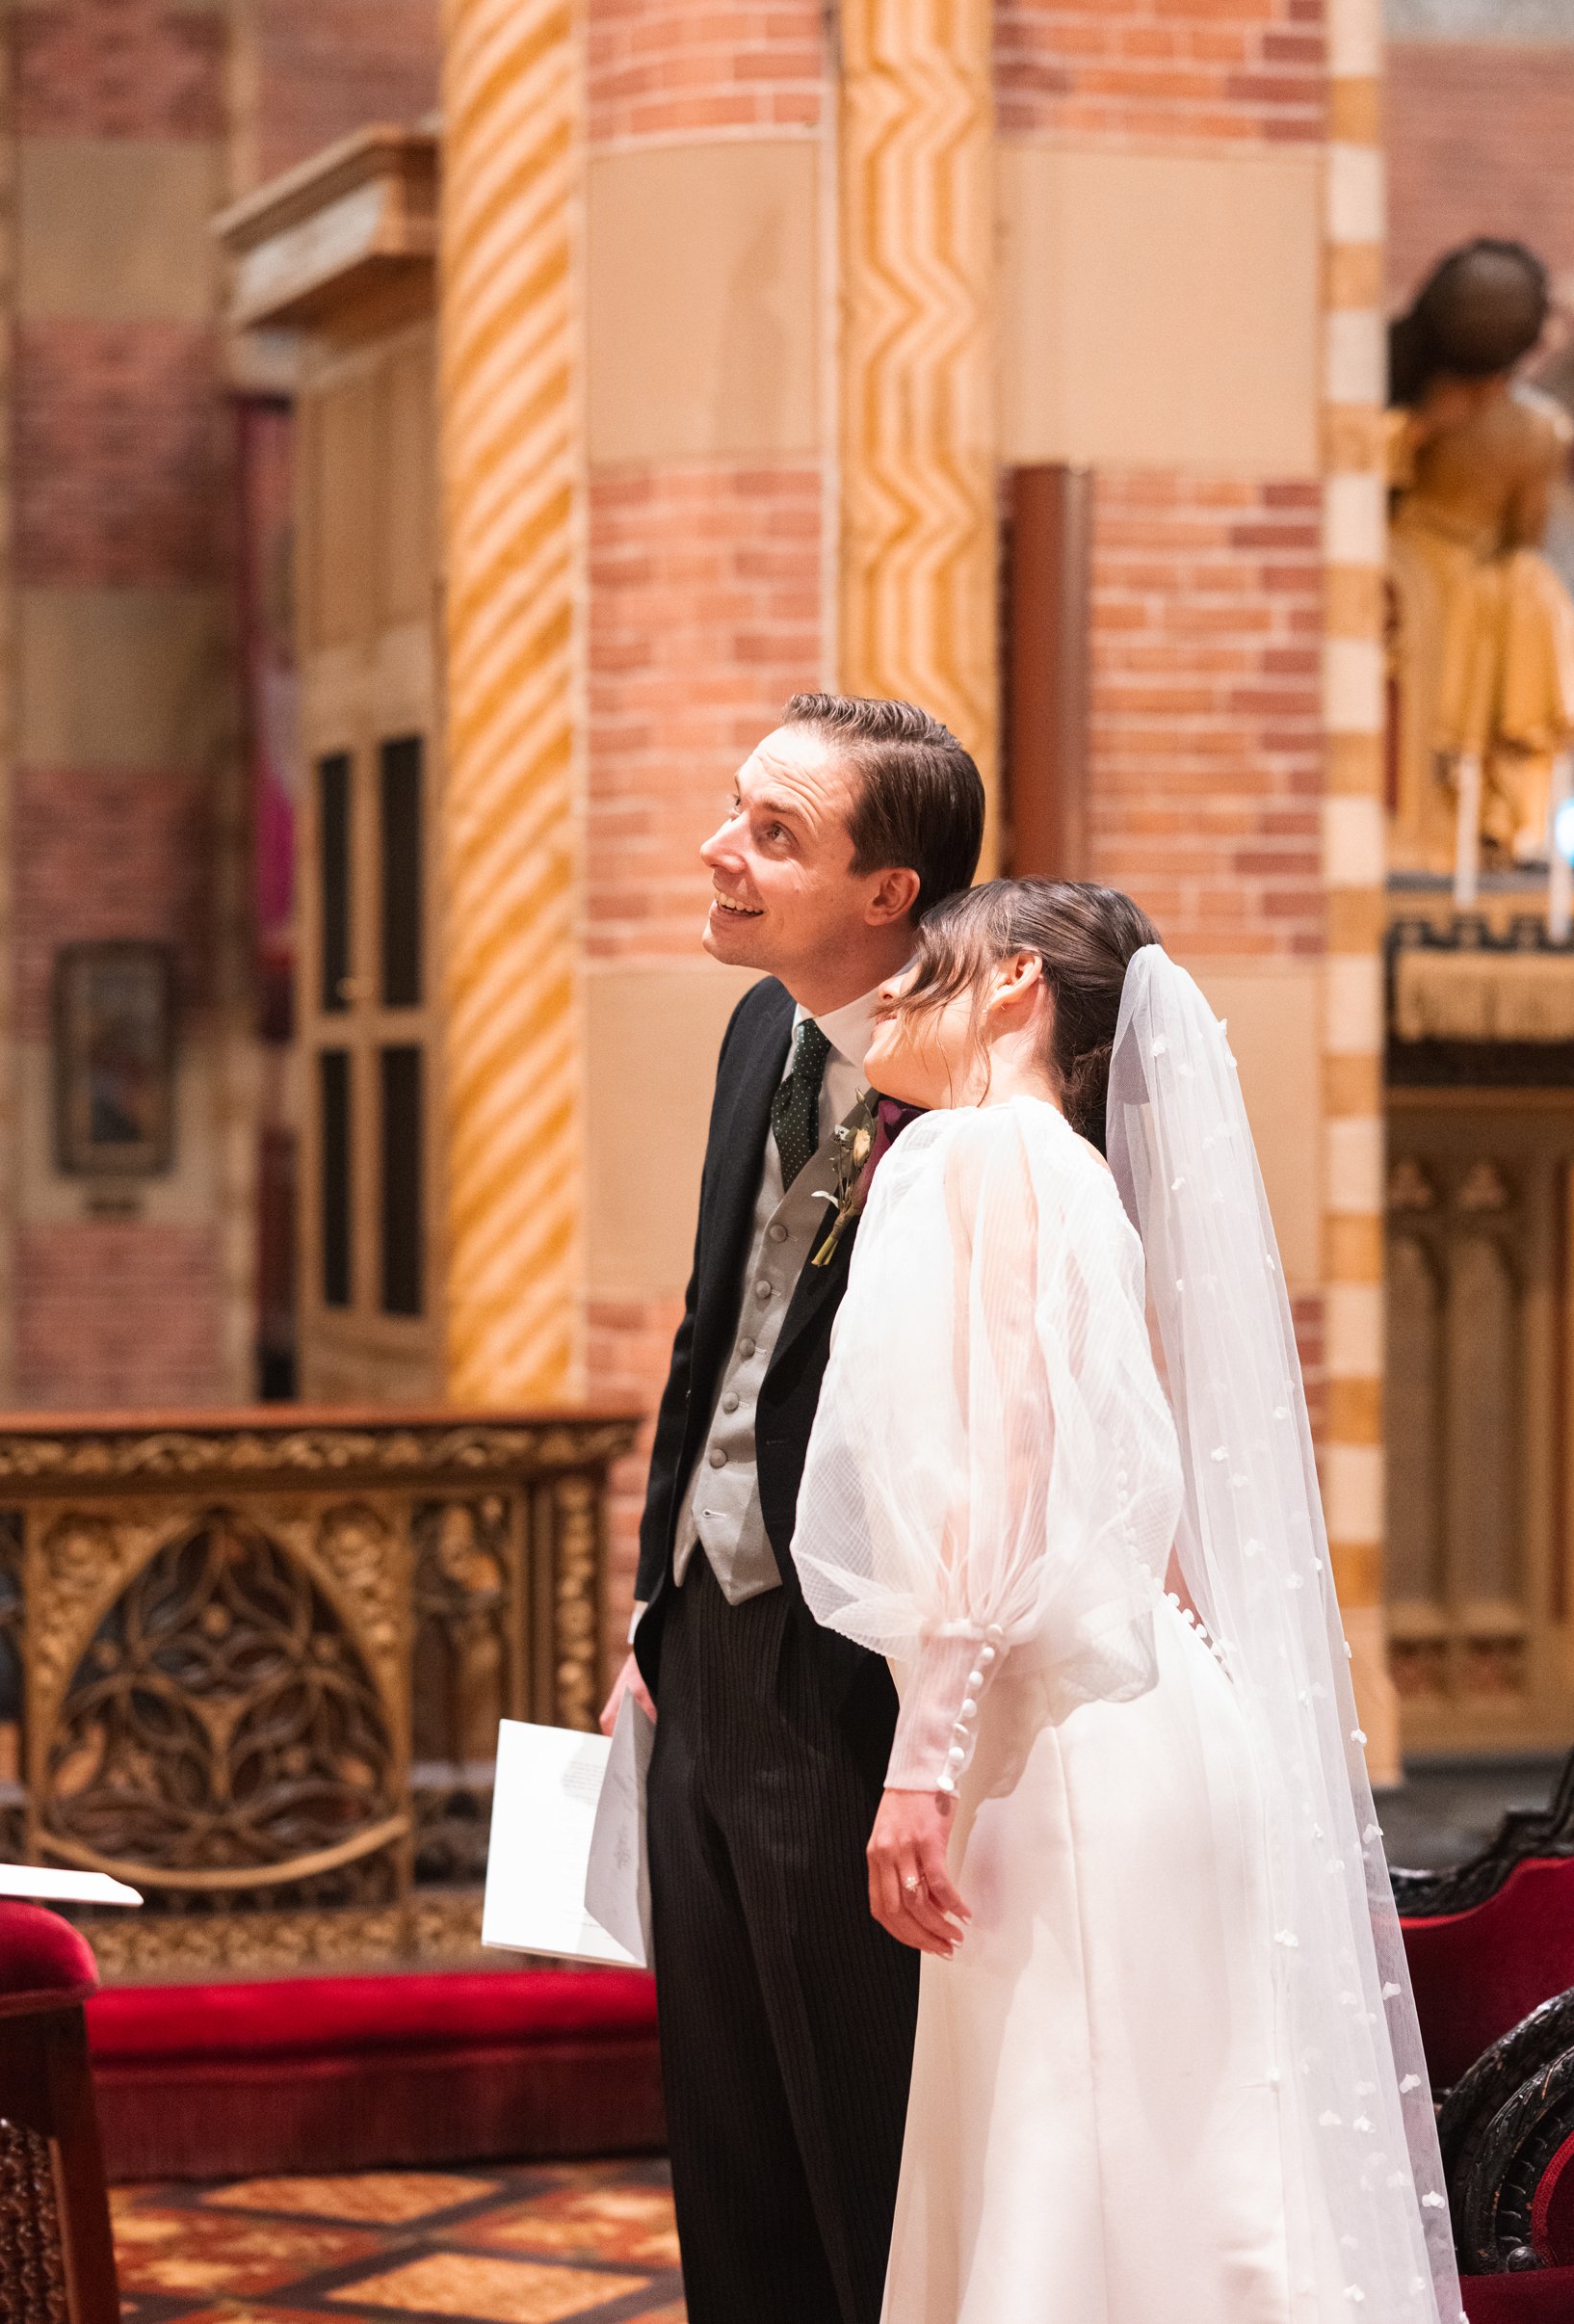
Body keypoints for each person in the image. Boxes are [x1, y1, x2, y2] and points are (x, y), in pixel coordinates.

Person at [792, 879, 1466, 2324]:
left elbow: (1009, 1473)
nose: (886, 1006)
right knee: (1181, 2170)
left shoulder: (974, 1158)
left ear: (1018, 988)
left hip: (1061, 1747)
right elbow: (1128, 1508)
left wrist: (919, 1766)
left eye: (925, 976)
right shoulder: (1070, 1173)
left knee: (1071, 2171)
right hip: (1156, 1720)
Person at [600, 693, 985, 2324]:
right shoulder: (761, 1031)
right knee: (729, 2133)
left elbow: (994, 1417)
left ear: (886, 895)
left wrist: (931, 1736)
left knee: (857, 2139)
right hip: (707, 1643)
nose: (720, 853)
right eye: (733, 813)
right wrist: (649, 1611)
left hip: (860, 1676)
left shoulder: (986, 1071)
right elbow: (714, 1328)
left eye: (773, 835)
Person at [1386, 237, 1574, 870]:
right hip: (1487, 590)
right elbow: (1526, 529)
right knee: (1530, 597)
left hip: (1404, 571)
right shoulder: (1538, 430)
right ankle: (1499, 822)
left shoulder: (1411, 412)